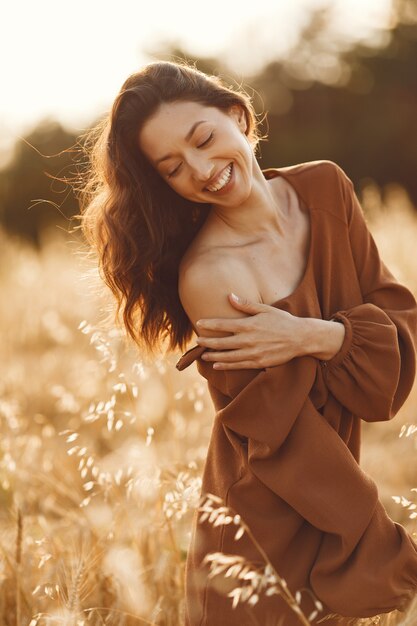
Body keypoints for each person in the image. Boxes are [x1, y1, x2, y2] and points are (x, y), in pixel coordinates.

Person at [77, 59, 417, 625]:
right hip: (260, 532)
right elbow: (281, 439)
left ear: (239, 116)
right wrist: (384, 543)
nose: (202, 169)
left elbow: (396, 323)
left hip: (336, 497)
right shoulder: (209, 277)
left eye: (204, 139)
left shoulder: (326, 188)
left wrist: (314, 335)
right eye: (173, 167)